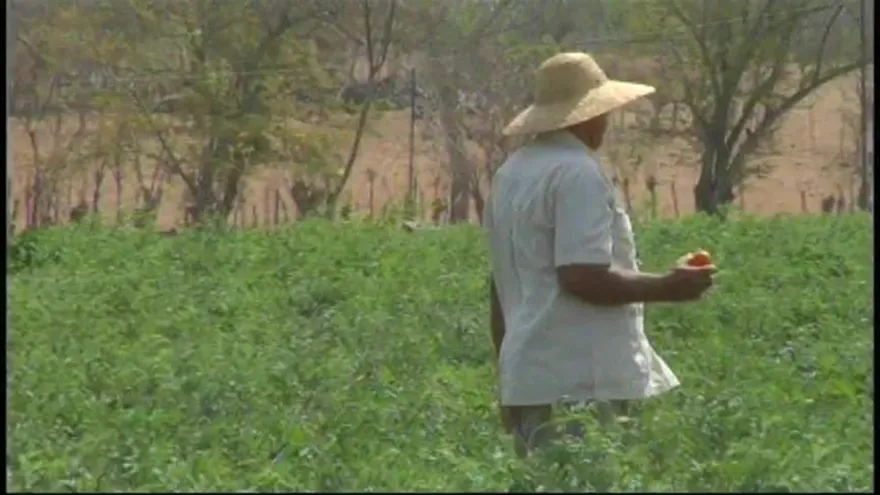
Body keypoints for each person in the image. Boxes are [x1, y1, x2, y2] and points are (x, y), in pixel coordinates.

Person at [484, 52, 717, 458]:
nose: (607, 121)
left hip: (531, 376)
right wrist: (669, 287)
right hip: (578, 381)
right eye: (604, 111)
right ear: (588, 115)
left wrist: (508, 380)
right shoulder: (577, 172)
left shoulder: (512, 173)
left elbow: (500, 288)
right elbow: (580, 276)